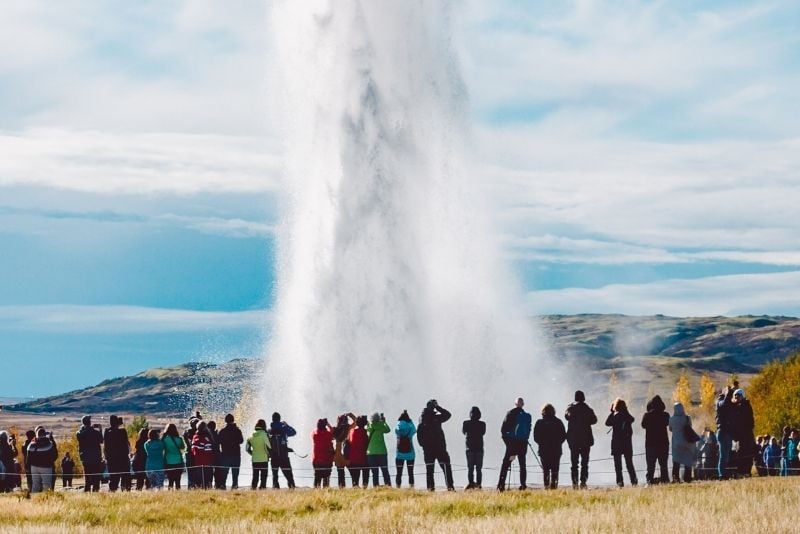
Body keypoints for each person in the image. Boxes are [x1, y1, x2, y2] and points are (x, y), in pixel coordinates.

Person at [417, 399, 454, 491]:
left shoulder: (422, 418)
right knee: (446, 467)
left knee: (429, 469)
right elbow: (448, 415)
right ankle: (450, 486)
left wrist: (424, 446)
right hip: (439, 447)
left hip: (429, 449)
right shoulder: (436, 417)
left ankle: (430, 488)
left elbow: (419, 435)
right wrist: (438, 407)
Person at [497, 397, 532, 491]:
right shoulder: (527, 416)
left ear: (515, 404)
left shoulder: (510, 413)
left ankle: (501, 485)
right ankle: (523, 485)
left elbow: (503, 430)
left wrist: (508, 443)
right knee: (522, 465)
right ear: (523, 404)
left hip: (512, 443)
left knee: (505, 464)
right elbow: (528, 430)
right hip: (523, 443)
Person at [565, 390, 597, 489]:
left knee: (574, 464)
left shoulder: (571, 409)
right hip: (586, 440)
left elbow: (566, 416)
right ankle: (583, 482)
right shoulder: (588, 409)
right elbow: (594, 420)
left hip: (573, 440)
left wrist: (569, 407)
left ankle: (574, 484)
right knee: (584, 463)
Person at [533, 403, 567, 489]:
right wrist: (558, 443)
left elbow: (536, 437)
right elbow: (563, 436)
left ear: (543, 412)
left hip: (543, 450)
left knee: (545, 470)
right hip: (556, 450)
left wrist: (541, 443)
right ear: (553, 411)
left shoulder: (539, 423)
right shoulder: (558, 422)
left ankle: (546, 486)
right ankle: (554, 486)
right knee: (555, 469)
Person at [606, 398, 638, 487]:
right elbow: (632, 419)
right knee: (629, 464)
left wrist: (612, 412)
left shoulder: (615, 416)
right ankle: (634, 481)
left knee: (618, 466)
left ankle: (620, 483)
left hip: (617, 443)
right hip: (627, 444)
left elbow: (607, 423)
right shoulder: (627, 416)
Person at [641, 395, 670, 485]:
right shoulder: (665, 415)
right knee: (663, 464)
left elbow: (643, 425)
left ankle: (649, 481)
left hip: (651, 444)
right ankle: (665, 480)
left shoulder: (647, 415)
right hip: (663, 443)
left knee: (650, 465)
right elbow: (667, 423)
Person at [668, 402, 697, 483]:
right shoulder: (687, 418)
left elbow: (670, 429)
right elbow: (690, 426)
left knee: (676, 461)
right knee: (687, 460)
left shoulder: (671, 419)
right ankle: (687, 478)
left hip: (676, 443)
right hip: (687, 442)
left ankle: (675, 478)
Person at [268, 412, 296, 489]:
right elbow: (294, 432)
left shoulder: (269, 430)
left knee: (275, 475)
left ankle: (275, 488)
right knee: (288, 474)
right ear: (280, 419)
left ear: (272, 419)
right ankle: (292, 487)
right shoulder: (284, 428)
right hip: (284, 456)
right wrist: (287, 425)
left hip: (274, 456)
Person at [76, 415, 103, 492]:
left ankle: (87, 492)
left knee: (87, 478)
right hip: (96, 459)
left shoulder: (79, 434)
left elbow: (79, 433)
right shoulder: (95, 432)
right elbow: (101, 440)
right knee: (96, 479)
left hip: (86, 459)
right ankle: (96, 492)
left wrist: (85, 427)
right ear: (90, 422)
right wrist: (100, 429)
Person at [103, 415, 131, 492]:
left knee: (113, 478)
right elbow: (126, 443)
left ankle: (112, 491)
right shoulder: (122, 431)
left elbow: (105, 445)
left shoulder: (107, 432)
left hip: (112, 459)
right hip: (123, 458)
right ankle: (126, 490)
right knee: (125, 476)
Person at [217, 413, 244, 490]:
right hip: (236, 454)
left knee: (224, 472)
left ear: (225, 421)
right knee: (235, 472)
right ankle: (234, 485)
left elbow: (218, 442)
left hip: (225, 454)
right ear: (233, 420)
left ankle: (223, 485)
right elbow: (241, 441)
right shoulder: (237, 430)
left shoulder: (222, 431)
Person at [731, 389, 754, 477]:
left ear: (742, 396)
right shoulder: (739, 406)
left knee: (745, 453)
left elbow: (749, 422)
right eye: (735, 395)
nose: (736, 397)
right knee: (740, 453)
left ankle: (745, 472)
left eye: (738, 395)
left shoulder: (745, 406)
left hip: (746, 435)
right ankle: (742, 471)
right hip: (740, 435)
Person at [26, 428, 57, 493]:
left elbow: (28, 458)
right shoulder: (49, 444)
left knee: (35, 485)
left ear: (37, 435)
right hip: (46, 467)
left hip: (34, 467)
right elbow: (55, 456)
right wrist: (52, 440)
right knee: (46, 485)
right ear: (45, 434)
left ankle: (34, 500)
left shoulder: (31, 444)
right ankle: (45, 500)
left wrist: (28, 467)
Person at [461, 406, 485, 490]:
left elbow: (464, 432)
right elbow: (483, 432)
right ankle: (479, 485)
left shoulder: (466, 423)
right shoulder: (482, 424)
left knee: (470, 468)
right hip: (479, 448)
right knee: (479, 469)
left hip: (469, 448)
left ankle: (471, 484)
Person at [367, 412, 392, 487]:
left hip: (371, 453)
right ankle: (388, 485)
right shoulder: (381, 426)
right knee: (385, 471)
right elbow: (388, 430)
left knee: (375, 473)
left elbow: (367, 428)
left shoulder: (369, 427)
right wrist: (384, 422)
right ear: (379, 419)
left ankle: (376, 486)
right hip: (382, 452)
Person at [715, 386, 735, 479]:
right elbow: (725, 403)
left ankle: (724, 473)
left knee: (726, 455)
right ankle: (721, 475)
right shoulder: (720, 403)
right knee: (723, 455)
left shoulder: (726, 405)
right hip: (722, 432)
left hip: (726, 432)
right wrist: (729, 392)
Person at [246, 419, 271, 490]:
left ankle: (253, 488)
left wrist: (253, 454)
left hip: (255, 459)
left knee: (255, 476)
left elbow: (247, 448)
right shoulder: (264, 434)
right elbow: (269, 446)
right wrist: (268, 454)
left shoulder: (251, 435)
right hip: (264, 459)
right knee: (264, 476)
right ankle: (262, 488)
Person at [333, 413, 356, 488]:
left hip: (337, 454)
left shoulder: (335, 430)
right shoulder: (348, 428)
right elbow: (356, 421)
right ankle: (355, 485)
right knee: (353, 472)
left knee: (340, 474)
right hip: (346, 453)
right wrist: (351, 415)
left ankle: (341, 488)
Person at [395, 410, 417, 488]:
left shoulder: (398, 425)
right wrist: (410, 421)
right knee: (410, 472)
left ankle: (398, 486)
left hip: (399, 454)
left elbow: (396, 431)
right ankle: (411, 486)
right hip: (410, 453)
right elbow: (415, 430)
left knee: (399, 472)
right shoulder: (410, 426)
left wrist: (399, 421)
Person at [347, 416, 370, 487]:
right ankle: (365, 487)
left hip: (354, 458)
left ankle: (355, 487)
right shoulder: (367, 433)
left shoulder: (352, 432)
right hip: (364, 458)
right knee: (365, 475)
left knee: (355, 479)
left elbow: (349, 442)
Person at [311, 418, 335, 488]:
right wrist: (327, 424)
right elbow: (332, 431)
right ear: (325, 426)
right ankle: (325, 494)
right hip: (327, 460)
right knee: (326, 479)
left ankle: (316, 494)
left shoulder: (314, 435)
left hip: (316, 460)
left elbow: (315, 431)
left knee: (317, 478)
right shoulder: (328, 435)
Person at [192, 421, 215, 489]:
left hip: (198, 461)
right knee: (208, 480)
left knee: (201, 479)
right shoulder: (206, 438)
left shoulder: (195, 437)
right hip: (207, 462)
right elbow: (208, 451)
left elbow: (193, 449)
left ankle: (201, 490)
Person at [162, 423, 185, 490]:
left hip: (169, 462)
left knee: (170, 481)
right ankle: (178, 494)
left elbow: (162, 448)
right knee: (178, 481)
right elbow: (182, 447)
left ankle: (170, 495)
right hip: (178, 462)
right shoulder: (179, 439)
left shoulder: (165, 440)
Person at [183, 417, 199, 489]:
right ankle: (197, 485)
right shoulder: (198, 433)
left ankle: (190, 486)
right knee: (197, 471)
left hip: (188, 452)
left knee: (190, 472)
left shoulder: (187, 432)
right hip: (197, 453)